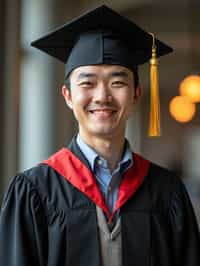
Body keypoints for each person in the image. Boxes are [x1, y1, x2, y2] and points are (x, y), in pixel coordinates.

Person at [0, 5, 199, 266]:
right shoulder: (34, 191)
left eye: (117, 82)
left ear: (136, 94)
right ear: (68, 96)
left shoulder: (167, 192)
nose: (102, 96)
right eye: (87, 83)